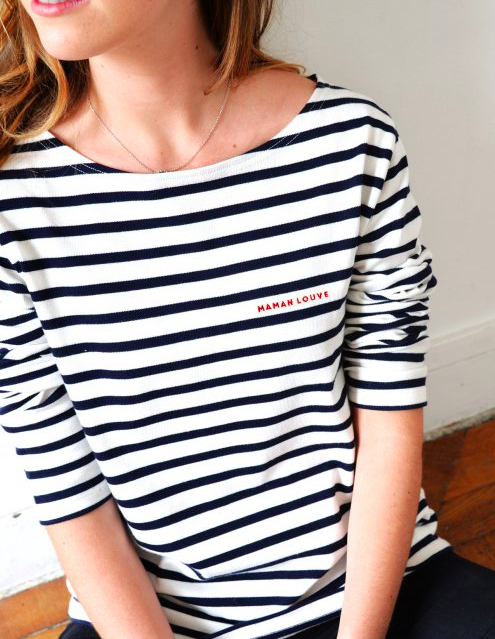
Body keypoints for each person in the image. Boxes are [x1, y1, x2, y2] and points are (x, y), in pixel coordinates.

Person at [1, 0, 494, 637]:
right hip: (145, 618)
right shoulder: (15, 201)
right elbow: (66, 483)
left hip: (376, 586)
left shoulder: (351, 143)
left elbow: (389, 423)